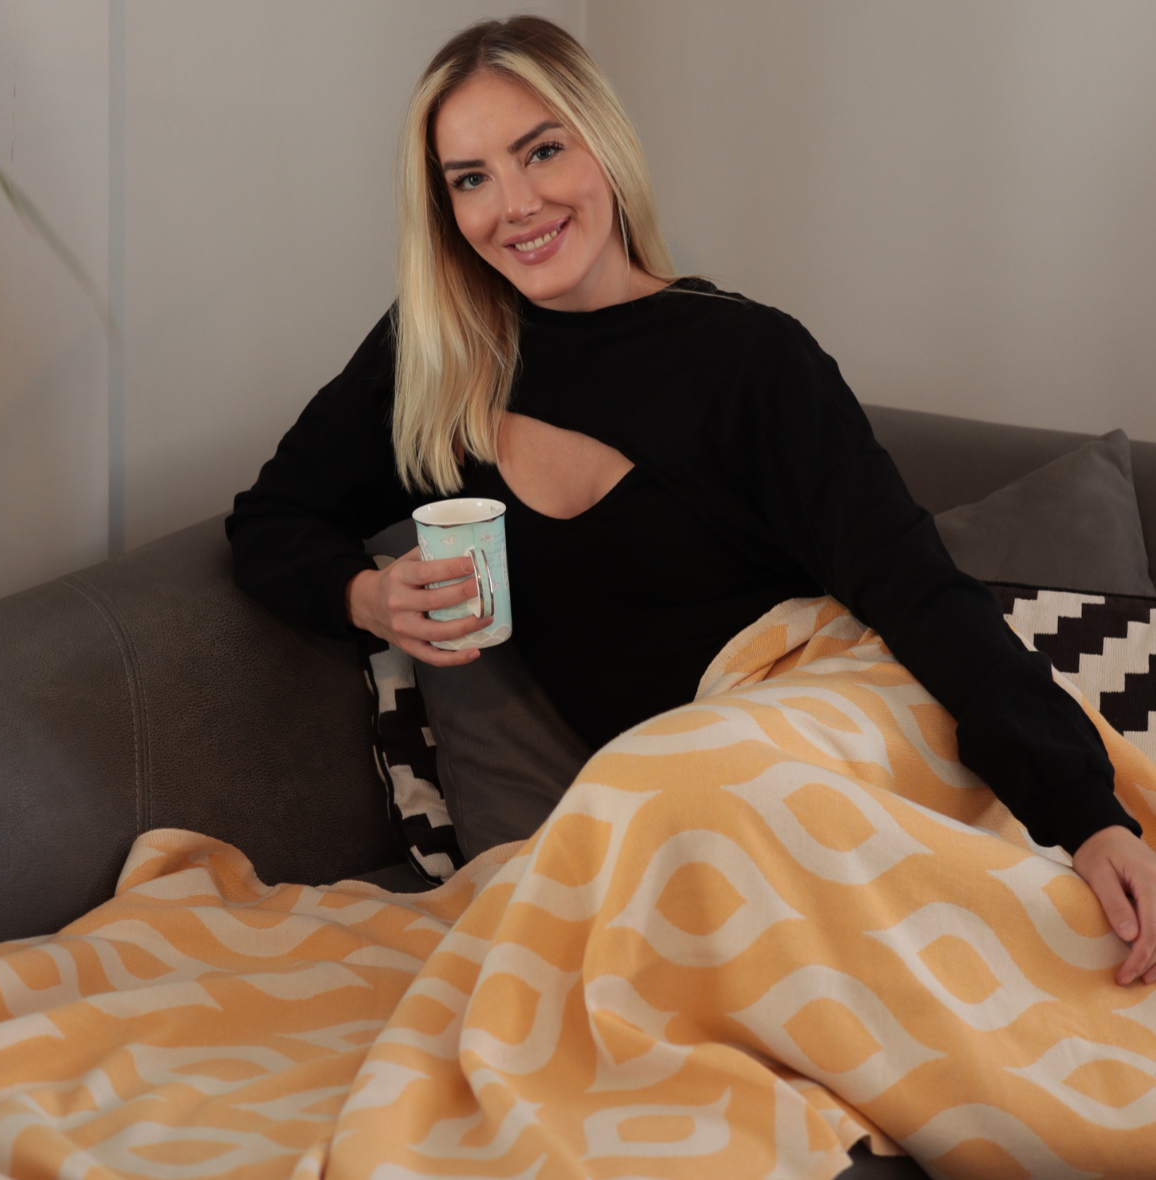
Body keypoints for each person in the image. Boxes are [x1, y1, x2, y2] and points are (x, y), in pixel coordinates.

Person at [227, 15, 1156, 986]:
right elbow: (272, 518)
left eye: (540, 150)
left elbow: (918, 590)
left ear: (603, 145)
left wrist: (1084, 815)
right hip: (694, 798)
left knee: (662, 787)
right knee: (662, 805)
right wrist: (365, 596)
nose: (515, 202)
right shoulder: (432, 361)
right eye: (470, 177)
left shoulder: (750, 360)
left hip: (828, 713)